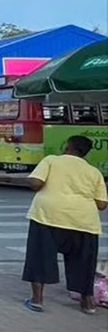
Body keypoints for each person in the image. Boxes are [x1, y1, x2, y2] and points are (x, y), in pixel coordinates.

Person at [21, 135, 107, 315]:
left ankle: (37, 300)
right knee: (84, 263)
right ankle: (87, 303)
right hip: (84, 221)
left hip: (48, 216)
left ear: (68, 147)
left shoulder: (51, 160)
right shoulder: (94, 172)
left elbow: (36, 183)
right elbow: (101, 204)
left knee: (39, 257)